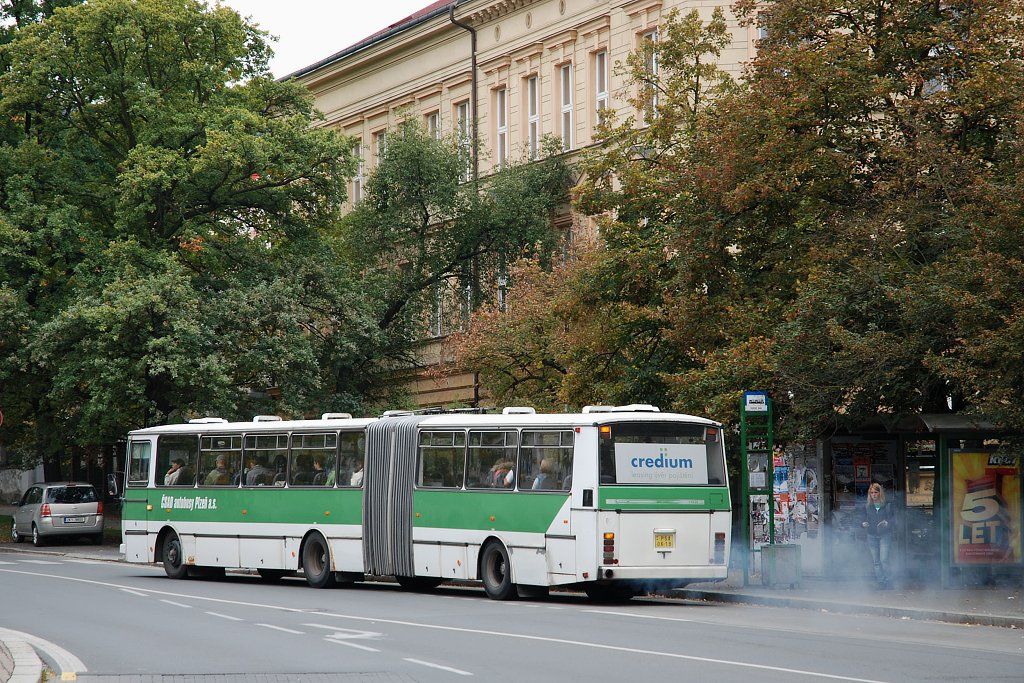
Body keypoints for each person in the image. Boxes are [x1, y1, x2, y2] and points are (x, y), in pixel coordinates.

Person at [862, 482, 896, 589]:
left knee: (884, 560)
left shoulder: (887, 505)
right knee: (876, 562)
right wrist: (863, 524)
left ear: (880, 493)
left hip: (885, 535)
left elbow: (894, 519)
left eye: (876, 492)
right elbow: (861, 519)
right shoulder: (867, 506)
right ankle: (882, 583)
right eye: (871, 492)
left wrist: (887, 523)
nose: (874, 494)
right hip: (871, 535)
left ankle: (888, 581)